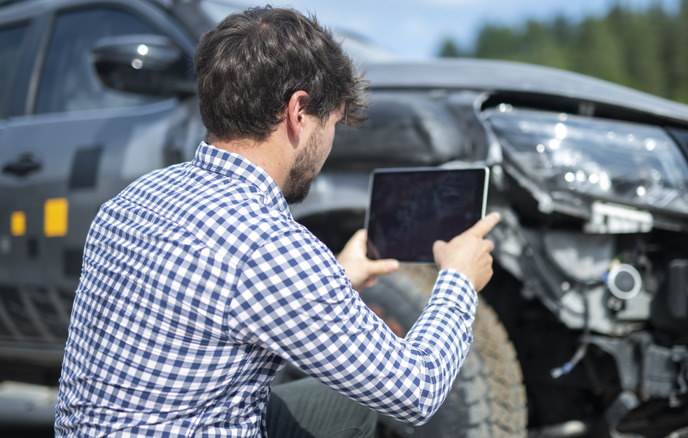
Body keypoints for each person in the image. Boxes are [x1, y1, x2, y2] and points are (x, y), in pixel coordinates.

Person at [54, 6, 499, 438]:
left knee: (337, 403)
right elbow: (416, 391)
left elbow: (214, 306)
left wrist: (336, 277)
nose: (328, 147)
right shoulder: (267, 244)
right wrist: (459, 279)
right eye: (332, 124)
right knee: (361, 397)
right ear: (298, 112)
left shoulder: (131, 200)